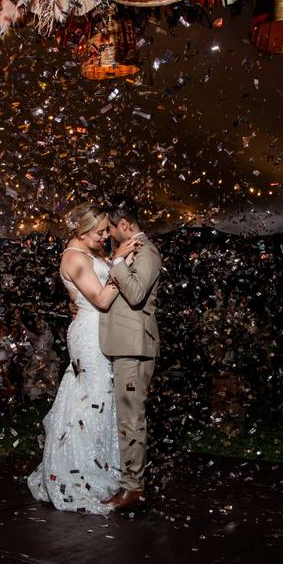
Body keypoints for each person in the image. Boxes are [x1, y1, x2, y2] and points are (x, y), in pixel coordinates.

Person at [27, 203, 141, 515]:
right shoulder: (74, 256)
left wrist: (123, 259)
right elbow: (102, 299)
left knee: (98, 399)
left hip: (98, 329)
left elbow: (80, 295)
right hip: (91, 335)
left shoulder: (91, 254)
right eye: (101, 231)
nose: (107, 236)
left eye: (107, 230)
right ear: (82, 230)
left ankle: (100, 466)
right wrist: (119, 263)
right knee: (93, 398)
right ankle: (79, 472)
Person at [99, 199, 162, 511]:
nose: (108, 235)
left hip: (135, 347)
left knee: (131, 417)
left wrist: (118, 263)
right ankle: (128, 482)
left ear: (123, 224)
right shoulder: (128, 251)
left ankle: (133, 488)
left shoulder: (147, 251)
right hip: (122, 344)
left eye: (110, 228)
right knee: (125, 416)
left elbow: (136, 294)